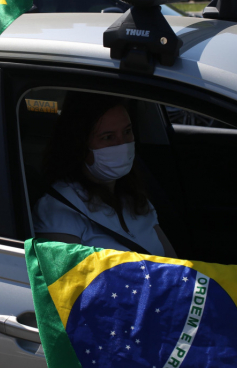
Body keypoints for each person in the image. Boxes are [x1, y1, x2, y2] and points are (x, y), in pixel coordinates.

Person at [33, 92, 176, 257]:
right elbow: (68, 279)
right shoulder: (59, 208)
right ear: (80, 145)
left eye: (127, 131)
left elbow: (174, 264)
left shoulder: (134, 198)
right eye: (108, 137)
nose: (122, 144)